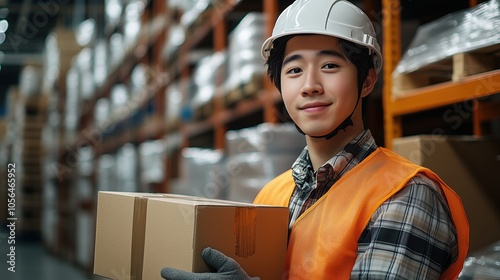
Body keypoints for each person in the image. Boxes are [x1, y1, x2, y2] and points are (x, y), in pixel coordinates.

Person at [161, 0, 470, 279]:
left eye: (330, 66)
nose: (310, 85)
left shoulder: (404, 194)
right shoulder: (271, 195)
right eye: (294, 69)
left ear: (367, 81)